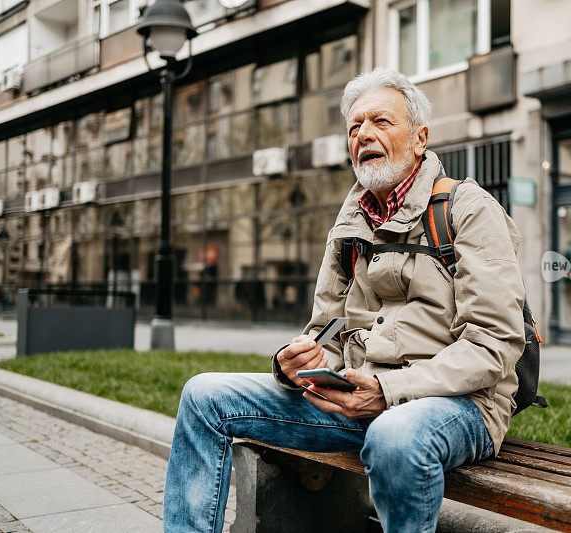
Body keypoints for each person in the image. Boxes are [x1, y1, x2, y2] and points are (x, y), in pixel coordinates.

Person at [163, 67, 526, 533]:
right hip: (356, 399)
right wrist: (297, 361)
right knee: (203, 395)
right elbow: (328, 330)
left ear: (420, 138)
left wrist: (390, 392)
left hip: (459, 404)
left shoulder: (467, 209)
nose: (364, 135)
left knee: (394, 434)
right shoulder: (351, 223)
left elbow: (494, 343)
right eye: (355, 126)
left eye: (381, 122)